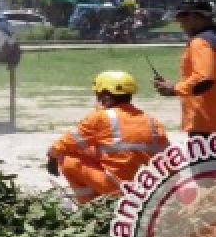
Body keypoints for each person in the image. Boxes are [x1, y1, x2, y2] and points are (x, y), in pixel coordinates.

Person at [47, 71, 169, 205]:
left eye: (98, 95)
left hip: (118, 187)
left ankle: (89, 206)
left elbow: (65, 143)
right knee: (91, 151)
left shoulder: (101, 117)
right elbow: (168, 157)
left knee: (68, 159)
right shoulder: (151, 120)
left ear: (105, 96)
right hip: (148, 189)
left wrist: (52, 156)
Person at [154, 0, 216, 136]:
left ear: (193, 17)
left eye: (181, 18)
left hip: (207, 124)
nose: (180, 24)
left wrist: (174, 88)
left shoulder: (200, 42)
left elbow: (204, 79)